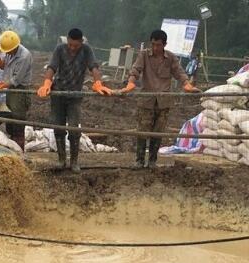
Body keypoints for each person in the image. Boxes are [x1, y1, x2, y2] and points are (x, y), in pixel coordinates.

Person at [37, 28, 113, 173]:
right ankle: (61, 160)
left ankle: (74, 162)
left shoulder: (86, 50)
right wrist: (47, 82)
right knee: (58, 127)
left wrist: (98, 83)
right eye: (70, 45)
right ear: (67, 40)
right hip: (58, 93)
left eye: (75, 46)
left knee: (74, 128)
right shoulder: (60, 49)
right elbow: (52, 67)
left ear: (81, 42)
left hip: (75, 96)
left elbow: (94, 67)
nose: (72, 48)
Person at [121, 30, 200, 169]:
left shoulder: (171, 58)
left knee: (157, 132)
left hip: (163, 102)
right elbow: (135, 70)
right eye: (153, 44)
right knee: (143, 131)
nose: (155, 48)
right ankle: (139, 161)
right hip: (146, 100)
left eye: (158, 45)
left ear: (164, 44)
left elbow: (179, 73)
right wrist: (131, 82)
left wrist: (186, 84)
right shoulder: (144, 55)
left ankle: (152, 161)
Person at [0, 30, 33, 151]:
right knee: (10, 119)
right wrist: (0, 64)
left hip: (20, 90)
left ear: (14, 47)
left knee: (18, 120)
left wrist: (2, 86)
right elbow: (7, 66)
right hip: (10, 90)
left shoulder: (24, 56)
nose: (6, 53)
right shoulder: (9, 53)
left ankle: (19, 150)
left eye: (8, 50)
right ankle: (11, 146)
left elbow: (16, 79)